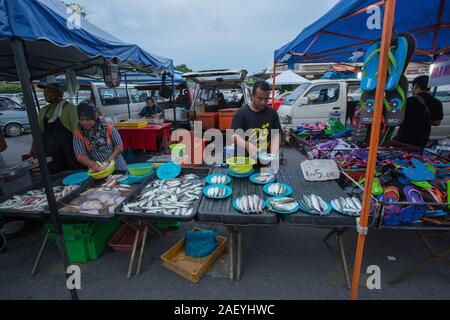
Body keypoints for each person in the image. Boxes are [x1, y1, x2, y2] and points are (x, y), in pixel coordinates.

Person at [35, 83, 80, 174]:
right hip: (51, 153)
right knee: (55, 176)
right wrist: (34, 147)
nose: (45, 94)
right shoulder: (43, 110)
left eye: (50, 92)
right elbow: (39, 132)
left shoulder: (70, 108)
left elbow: (77, 131)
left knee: (73, 173)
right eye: (45, 92)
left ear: (60, 94)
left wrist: (78, 149)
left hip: (69, 151)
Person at [231, 81, 281, 159]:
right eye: (260, 98)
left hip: (264, 161)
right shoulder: (241, 113)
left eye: (266, 98)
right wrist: (247, 145)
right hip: (244, 161)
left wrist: (274, 151)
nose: (263, 102)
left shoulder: (272, 113)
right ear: (252, 96)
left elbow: (276, 134)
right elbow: (234, 136)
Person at [73, 102, 127, 172]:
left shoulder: (108, 127)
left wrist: (112, 157)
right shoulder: (78, 133)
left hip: (117, 167)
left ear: (94, 117)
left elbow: (119, 146)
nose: (85, 122)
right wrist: (92, 164)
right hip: (97, 170)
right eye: (82, 119)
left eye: (88, 119)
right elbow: (80, 155)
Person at [393, 75, 443, 149]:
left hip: (403, 140)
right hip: (421, 141)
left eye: (412, 87)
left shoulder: (407, 102)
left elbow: (397, 120)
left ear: (416, 86)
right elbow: (437, 122)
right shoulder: (437, 103)